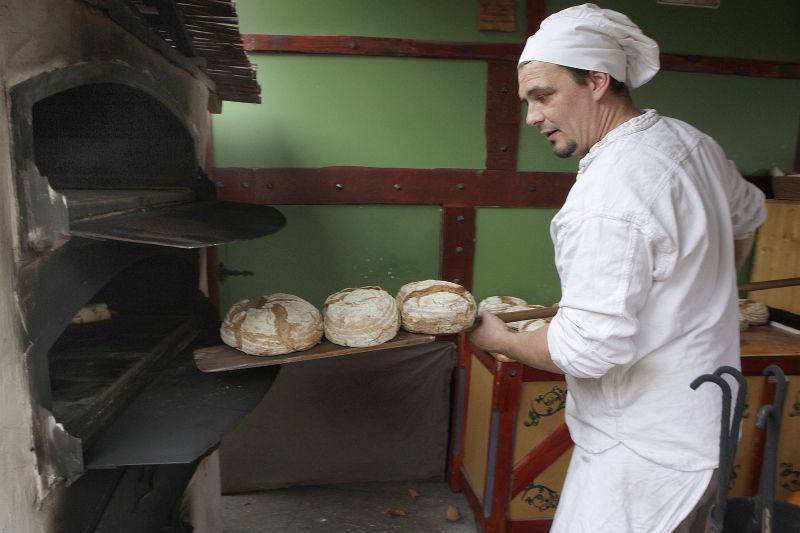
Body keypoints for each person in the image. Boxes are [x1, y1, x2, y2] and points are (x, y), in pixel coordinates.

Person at [469, 4, 766, 532]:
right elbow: (750, 212)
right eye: (528, 101)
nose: (532, 116)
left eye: (543, 95)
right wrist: (696, 289)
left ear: (598, 81)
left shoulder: (608, 195)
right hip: (706, 425)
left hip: (643, 450)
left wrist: (501, 340)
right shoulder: (689, 143)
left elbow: (586, 350)